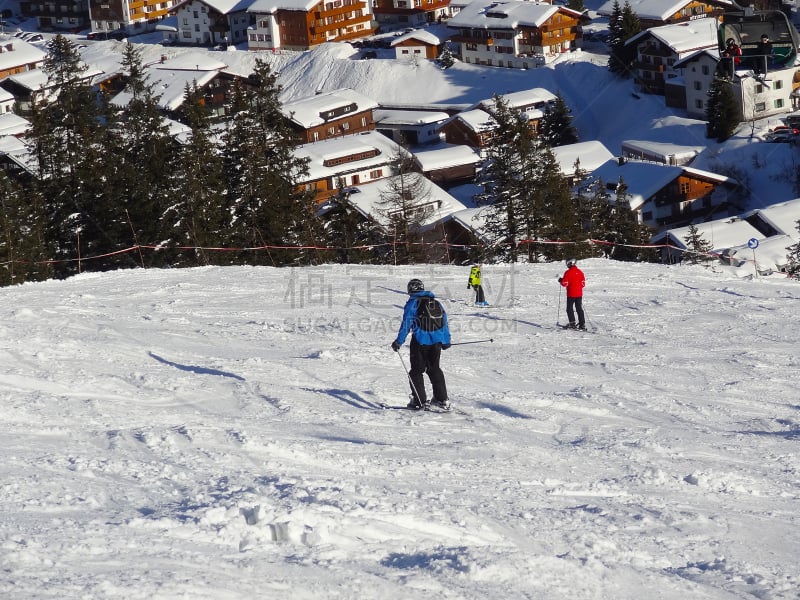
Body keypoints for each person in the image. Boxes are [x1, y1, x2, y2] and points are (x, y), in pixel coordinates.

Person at [391, 279, 452, 410]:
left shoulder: (413, 303)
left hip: (420, 342)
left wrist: (398, 342)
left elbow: (407, 324)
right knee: (434, 369)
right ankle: (442, 400)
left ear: (410, 290)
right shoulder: (436, 303)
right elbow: (444, 322)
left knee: (416, 371)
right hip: (436, 342)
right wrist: (446, 341)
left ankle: (419, 401)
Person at [558, 258, 586, 330]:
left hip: (571, 294)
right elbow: (583, 284)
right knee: (579, 309)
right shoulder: (580, 272)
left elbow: (565, 283)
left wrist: (561, 280)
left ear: (570, 263)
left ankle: (572, 323)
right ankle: (582, 324)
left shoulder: (568, 272)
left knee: (569, 309)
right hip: (579, 294)